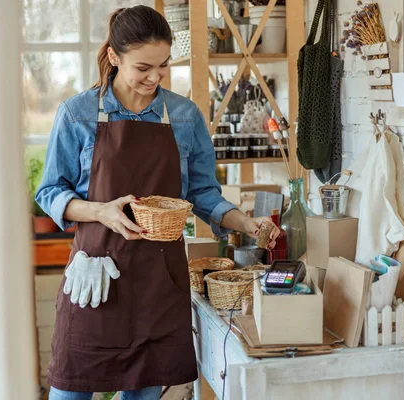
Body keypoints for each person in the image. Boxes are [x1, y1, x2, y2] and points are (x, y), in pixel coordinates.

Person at [35, 5, 280, 399]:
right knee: (69, 391)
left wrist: (245, 223)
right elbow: (49, 192)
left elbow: (203, 194)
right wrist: (101, 211)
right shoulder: (77, 114)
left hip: (158, 285)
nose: (155, 77)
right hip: (95, 280)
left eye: (163, 66)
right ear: (114, 58)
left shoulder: (184, 117)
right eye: (143, 67)